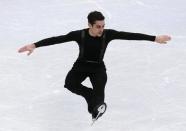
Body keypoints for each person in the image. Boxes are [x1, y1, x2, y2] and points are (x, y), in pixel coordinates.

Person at [18, 11, 171, 120]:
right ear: (90, 25)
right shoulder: (80, 34)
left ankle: (95, 109)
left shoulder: (108, 34)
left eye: (103, 26)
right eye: (98, 26)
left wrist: (154, 38)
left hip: (98, 68)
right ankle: (90, 97)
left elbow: (129, 35)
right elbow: (57, 39)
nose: (101, 29)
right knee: (70, 84)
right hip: (81, 65)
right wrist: (35, 45)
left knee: (99, 95)